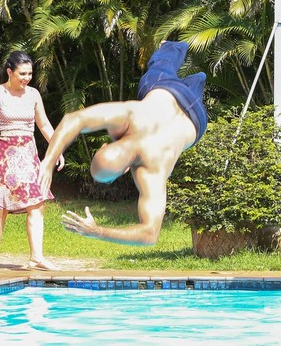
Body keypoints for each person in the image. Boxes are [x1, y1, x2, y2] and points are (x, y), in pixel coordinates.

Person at [37, 41, 207, 246]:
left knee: (195, 84)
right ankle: (172, 47)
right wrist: (48, 162)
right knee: (161, 66)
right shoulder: (128, 116)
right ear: (105, 147)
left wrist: (97, 231)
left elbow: (149, 234)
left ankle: (199, 80)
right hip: (166, 89)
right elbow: (74, 119)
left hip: (196, 118)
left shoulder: (152, 170)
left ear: (126, 170)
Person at [0, 51, 61, 270]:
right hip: (1, 154)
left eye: (29, 74)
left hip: (27, 153)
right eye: (22, 74)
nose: (26, 78)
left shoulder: (34, 95)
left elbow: (44, 125)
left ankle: (36, 257)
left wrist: (57, 149)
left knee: (36, 204)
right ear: (10, 72)